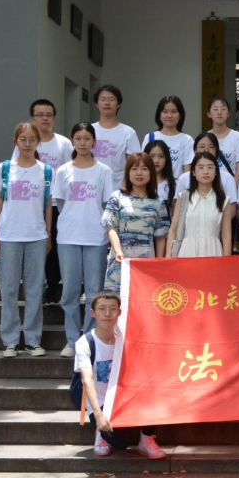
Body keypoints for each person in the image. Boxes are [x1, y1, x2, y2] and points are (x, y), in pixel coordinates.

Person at [76, 290, 166, 459]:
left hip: (125, 398)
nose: (107, 314)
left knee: (157, 394)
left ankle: (146, 438)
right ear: (93, 313)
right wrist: (98, 414)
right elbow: (87, 379)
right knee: (121, 442)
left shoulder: (126, 339)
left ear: (119, 312)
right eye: (102, 309)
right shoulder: (85, 343)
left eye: (113, 309)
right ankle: (100, 433)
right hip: (101, 402)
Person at [0, 122, 53, 358]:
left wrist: (48, 233)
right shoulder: (5, 168)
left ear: (38, 142)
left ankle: (33, 340)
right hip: (9, 236)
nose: (27, 144)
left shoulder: (46, 171)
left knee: (35, 289)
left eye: (32, 139)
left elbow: (48, 204)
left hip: (36, 236)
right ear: (16, 141)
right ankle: (10, 341)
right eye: (22, 139)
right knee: (8, 289)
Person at [54, 123, 113, 358]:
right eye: (78, 138)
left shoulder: (103, 171)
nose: (82, 142)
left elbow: (107, 205)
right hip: (68, 236)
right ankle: (71, 340)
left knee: (94, 292)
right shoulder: (63, 171)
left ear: (94, 141)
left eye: (87, 138)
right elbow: (60, 204)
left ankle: (90, 339)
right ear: (72, 141)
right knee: (69, 291)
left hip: (95, 237)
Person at [11, 99, 72, 304]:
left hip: (55, 204)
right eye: (40, 115)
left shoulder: (64, 143)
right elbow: (16, 170)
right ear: (32, 118)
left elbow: (70, 172)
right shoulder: (25, 142)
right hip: (30, 204)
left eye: (48, 115)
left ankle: (53, 286)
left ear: (54, 118)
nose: (44, 118)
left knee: (52, 246)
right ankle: (36, 287)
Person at [101, 153, 169, 294]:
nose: (139, 173)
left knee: (143, 299)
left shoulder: (158, 202)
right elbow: (112, 228)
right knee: (117, 301)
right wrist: (118, 251)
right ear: (128, 172)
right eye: (134, 168)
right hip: (120, 260)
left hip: (146, 262)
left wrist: (159, 261)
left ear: (151, 172)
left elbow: (161, 237)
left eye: (144, 169)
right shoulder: (117, 197)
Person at [167, 152, 234, 258]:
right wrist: (168, 257)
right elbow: (173, 230)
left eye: (210, 167)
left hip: (213, 254)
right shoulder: (184, 197)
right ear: (193, 172)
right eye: (201, 167)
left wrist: (226, 261)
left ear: (216, 172)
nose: (205, 171)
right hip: (187, 254)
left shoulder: (224, 199)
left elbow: (226, 236)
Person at [92, 85, 142, 192]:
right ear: (96, 104)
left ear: (119, 104)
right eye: (102, 99)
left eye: (111, 99)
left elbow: (135, 164)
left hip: (119, 190)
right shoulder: (89, 131)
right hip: (92, 189)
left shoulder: (128, 133)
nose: (107, 103)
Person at [177, 132, 238, 207]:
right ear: (195, 150)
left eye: (211, 147)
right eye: (202, 146)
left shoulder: (227, 178)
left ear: (216, 150)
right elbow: (178, 208)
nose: (206, 150)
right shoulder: (184, 178)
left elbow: (232, 207)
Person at [140, 95, 194, 180]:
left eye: (174, 112)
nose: (169, 115)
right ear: (159, 115)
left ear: (180, 115)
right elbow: (143, 165)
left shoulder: (187, 140)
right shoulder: (150, 137)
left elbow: (187, 172)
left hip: (176, 187)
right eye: (165, 112)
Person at [207, 98, 239, 188]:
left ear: (228, 113)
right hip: (208, 188)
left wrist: (232, 190)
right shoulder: (205, 138)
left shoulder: (238, 137)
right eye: (215, 109)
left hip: (231, 188)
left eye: (223, 109)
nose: (219, 112)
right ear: (209, 114)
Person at [144, 140, 176, 222]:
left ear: (167, 159)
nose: (156, 160)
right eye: (152, 156)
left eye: (161, 156)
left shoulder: (174, 184)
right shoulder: (139, 183)